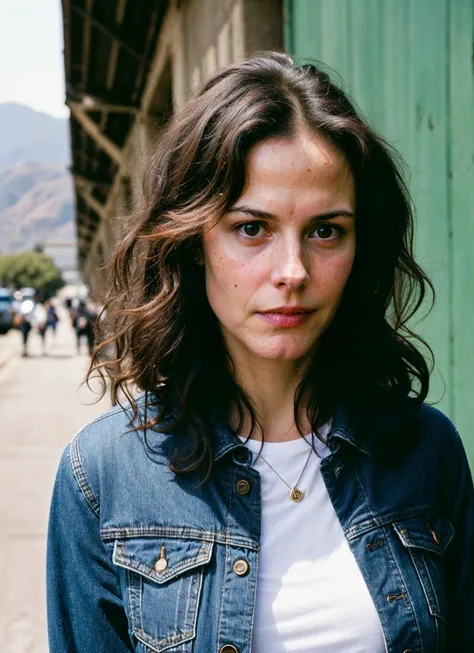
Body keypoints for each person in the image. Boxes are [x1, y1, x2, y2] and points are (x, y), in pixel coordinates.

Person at [47, 52, 474, 652]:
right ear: (194, 241)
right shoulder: (103, 477)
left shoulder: (427, 453)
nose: (293, 271)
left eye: (327, 230)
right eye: (252, 228)